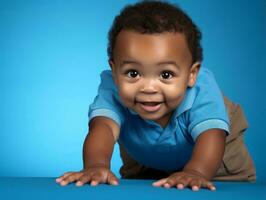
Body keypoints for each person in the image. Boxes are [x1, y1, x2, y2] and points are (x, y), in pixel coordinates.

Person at [56, 0, 256, 191]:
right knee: (141, 182)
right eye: (133, 73)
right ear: (115, 71)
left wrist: (196, 171)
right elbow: (104, 127)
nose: (149, 88)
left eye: (165, 74)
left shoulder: (202, 90)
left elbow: (211, 135)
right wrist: (96, 165)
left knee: (214, 181)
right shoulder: (112, 89)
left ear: (191, 75)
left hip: (214, 155)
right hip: (145, 151)